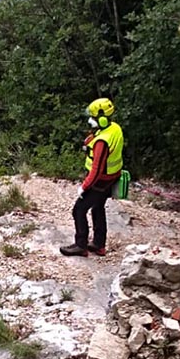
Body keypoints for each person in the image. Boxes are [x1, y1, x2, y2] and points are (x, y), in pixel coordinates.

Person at [60, 97, 123, 257]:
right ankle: (98, 244)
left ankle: (81, 245)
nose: (90, 120)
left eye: (93, 118)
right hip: (111, 178)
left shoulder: (102, 142)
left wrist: (84, 187)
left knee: (78, 210)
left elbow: (97, 169)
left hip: (99, 182)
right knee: (98, 207)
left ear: (102, 119)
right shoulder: (114, 128)